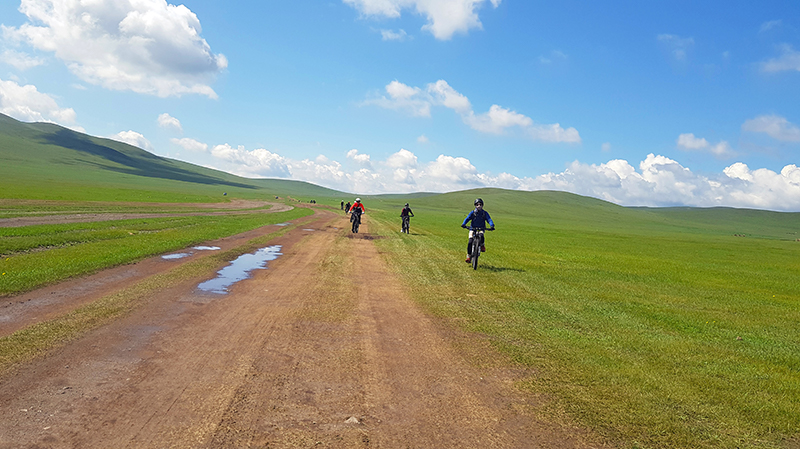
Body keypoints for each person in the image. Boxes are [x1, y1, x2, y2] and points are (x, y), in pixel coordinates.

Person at [461, 198, 495, 263]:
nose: (479, 206)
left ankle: (482, 245)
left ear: (482, 205)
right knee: (470, 242)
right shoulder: (473, 213)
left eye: (480, 204)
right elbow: (467, 218)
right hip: (472, 228)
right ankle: (469, 256)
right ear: (475, 205)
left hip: (481, 228)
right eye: (477, 204)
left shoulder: (484, 213)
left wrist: (492, 225)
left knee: (481, 235)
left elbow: (489, 219)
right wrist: (464, 224)